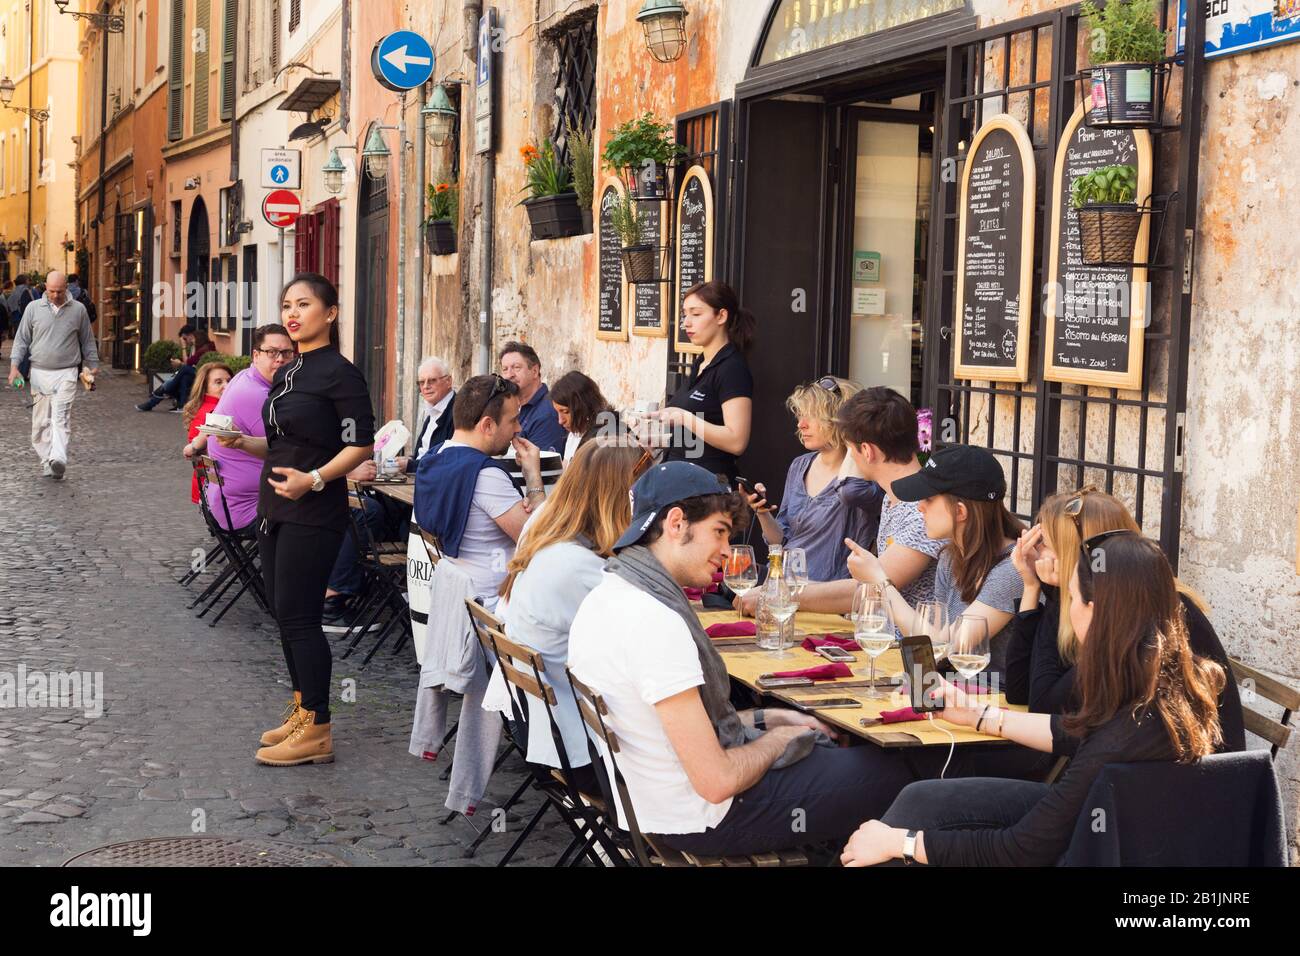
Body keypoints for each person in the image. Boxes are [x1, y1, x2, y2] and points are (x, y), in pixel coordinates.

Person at [567, 462, 915, 857]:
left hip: (655, 807)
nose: (726, 551)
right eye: (719, 532)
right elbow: (716, 779)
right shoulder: (654, 621)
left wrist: (770, 719)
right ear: (676, 523)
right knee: (904, 778)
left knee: (841, 753)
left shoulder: (607, 594)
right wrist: (778, 740)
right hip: (705, 818)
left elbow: (667, 728)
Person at [841, 532, 1226, 867]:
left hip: (1092, 848)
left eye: (1071, 597)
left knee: (897, 837)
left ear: (1096, 611)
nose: (1065, 607)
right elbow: (1075, 731)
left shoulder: (1130, 725)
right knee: (921, 799)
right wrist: (978, 715)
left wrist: (901, 844)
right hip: (1125, 833)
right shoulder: (1159, 678)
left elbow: (1020, 851)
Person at [216, 274, 376, 767]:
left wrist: (316, 480)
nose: (293, 313)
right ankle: (303, 707)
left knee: (303, 618)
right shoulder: (287, 371)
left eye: (304, 304)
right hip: (274, 507)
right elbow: (285, 442)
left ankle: (319, 728)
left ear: (329, 313)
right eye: (287, 304)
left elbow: (359, 445)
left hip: (314, 510)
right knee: (284, 614)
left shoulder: (340, 375)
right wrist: (245, 444)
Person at [1005, 487, 1245, 751]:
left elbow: (1044, 707)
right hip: (1125, 763)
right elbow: (1019, 692)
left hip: (1184, 779)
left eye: (1045, 545)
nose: (1037, 555)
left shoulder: (1154, 610)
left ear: (1080, 555)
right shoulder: (1103, 602)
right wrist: (1033, 588)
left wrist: (1062, 593)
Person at [499, 439, 647, 788]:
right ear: (620, 496)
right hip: (584, 753)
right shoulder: (581, 567)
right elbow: (640, 650)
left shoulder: (553, 538)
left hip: (546, 732)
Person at [736, 387, 941, 617]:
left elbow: (873, 589)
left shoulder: (923, 509)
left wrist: (780, 594)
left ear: (866, 451)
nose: (848, 459)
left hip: (907, 647)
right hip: (880, 637)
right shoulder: (896, 498)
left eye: (850, 449)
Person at [845, 444, 1024, 676]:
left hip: (993, 701)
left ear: (960, 512)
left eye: (928, 499)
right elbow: (933, 650)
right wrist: (913, 686)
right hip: (955, 693)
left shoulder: (1013, 569)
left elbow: (949, 647)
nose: (919, 507)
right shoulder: (951, 557)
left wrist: (881, 582)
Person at [414, 373, 546, 610]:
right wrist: (533, 478)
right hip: (493, 611)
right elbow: (540, 541)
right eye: (513, 420)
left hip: (457, 600)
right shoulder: (485, 475)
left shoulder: (433, 458)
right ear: (487, 425)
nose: (518, 428)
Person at [741, 376, 883, 583]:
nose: (801, 424)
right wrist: (762, 512)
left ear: (838, 419)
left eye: (812, 416)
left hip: (830, 597)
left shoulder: (862, 474)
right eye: (800, 415)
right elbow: (780, 542)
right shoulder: (800, 466)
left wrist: (854, 438)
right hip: (784, 588)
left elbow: (851, 492)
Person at [653, 281, 754, 483]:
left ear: (721, 316)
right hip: (678, 480)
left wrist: (684, 418)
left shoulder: (731, 368)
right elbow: (691, 436)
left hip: (708, 489)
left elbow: (737, 440)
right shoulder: (699, 363)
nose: (686, 323)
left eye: (696, 314)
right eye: (685, 314)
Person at [203, 324, 295, 532]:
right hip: (250, 509)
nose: (280, 359)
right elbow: (289, 453)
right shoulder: (255, 394)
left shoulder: (244, 377)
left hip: (229, 504)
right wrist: (347, 469)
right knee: (361, 513)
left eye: (287, 353)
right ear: (256, 355)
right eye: (271, 352)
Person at [7, 271, 98, 479]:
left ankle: (59, 458)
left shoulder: (78, 310)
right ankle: (47, 459)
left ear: (66, 288)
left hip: (67, 371)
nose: (55, 295)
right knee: (40, 423)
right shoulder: (33, 309)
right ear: (44, 288)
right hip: (39, 372)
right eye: (51, 291)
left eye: (59, 291)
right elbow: (21, 340)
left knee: (61, 415)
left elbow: (87, 341)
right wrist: (14, 367)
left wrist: (92, 367)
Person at [499, 341, 567, 454]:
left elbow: (544, 467)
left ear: (535, 371)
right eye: (505, 369)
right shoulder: (515, 406)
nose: (509, 375)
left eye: (516, 367)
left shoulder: (547, 413)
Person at [182, 362, 234, 504]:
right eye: (218, 382)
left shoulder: (211, 407)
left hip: (210, 484)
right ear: (205, 388)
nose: (226, 385)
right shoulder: (214, 411)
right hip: (216, 487)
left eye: (229, 381)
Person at [136, 325, 214, 412]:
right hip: (194, 374)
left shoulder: (204, 348)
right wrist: (181, 363)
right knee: (184, 378)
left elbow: (188, 363)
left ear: (193, 336)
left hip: (202, 374)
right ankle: (179, 406)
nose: (188, 341)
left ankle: (165, 391)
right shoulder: (195, 347)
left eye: (185, 339)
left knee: (181, 373)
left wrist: (183, 349)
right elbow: (190, 363)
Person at [550, 370, 618, 465]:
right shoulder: (575, 434)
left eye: (565, 412)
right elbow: (565, 474)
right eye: (557, 412)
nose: (560, 421)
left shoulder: (604, 438)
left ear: (583, 407)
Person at [403, 356, 456, 472]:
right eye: (422, 382)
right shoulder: (432, 411)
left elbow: (448, 461)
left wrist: (409, 465)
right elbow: (422, 453)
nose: (426, 386)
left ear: (448, 381)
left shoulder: (458, 412)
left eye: (432, 380)